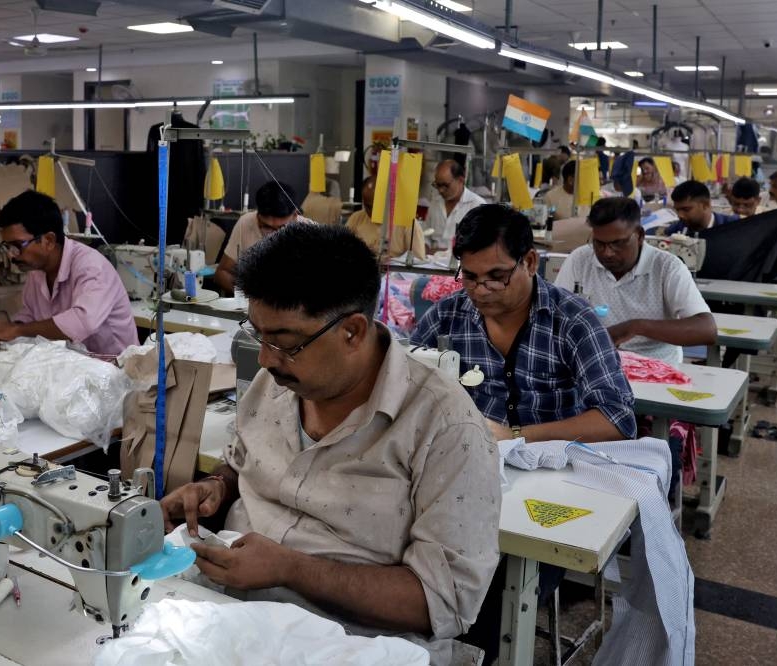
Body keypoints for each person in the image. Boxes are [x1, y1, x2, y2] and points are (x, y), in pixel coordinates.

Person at [160, 224, 500, 666]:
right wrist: (218, 487)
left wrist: (290, 568)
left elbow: (441, 602)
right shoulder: (276, 382)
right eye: (257, 335)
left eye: (284, 343)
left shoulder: (446, 428)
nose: (264, 359)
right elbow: (242, 461)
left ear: (353, 332)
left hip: (352, 644)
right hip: (230, 615)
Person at [411, 204, 636, 444]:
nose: (480, 290)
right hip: (469, 454)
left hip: (553, 467)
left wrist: (514, 436)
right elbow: (403, 382)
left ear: (529, 262)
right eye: (470, 277)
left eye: (497, 277)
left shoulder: (573, 321)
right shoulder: (448, 314)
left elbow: (618, 419)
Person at [554, 197, 717, 365]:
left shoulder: (667, 267)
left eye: (618, 243)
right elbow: (554, 315)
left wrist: (636, 327)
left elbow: (706, 330)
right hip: (596, 363)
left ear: (639, 235)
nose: (607, 253)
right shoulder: (580, 259)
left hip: (655, 368)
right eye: (599, 244)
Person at [0, 190, 138, 356]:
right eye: (7, 247)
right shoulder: (37, 271)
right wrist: (0, 331)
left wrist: (16, 329)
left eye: (17, 245)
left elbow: (83, 322)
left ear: (49, 240)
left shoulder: (91, 267)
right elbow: (30, 317)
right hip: (77, 366)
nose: (11, 255)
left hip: (116, 370)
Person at [216, 181, 309, 294]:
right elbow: (222, 272)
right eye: (266, 227)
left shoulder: (310, 233)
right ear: (257, 215)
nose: (274, 235)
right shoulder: (246, 222)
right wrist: (248, 296)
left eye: (282, 227)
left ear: (295, 215)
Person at [346, 176, 426, 259]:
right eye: (368, 207)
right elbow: (340, 249)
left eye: (378, 206)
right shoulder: (356, 219)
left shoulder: (408, 223)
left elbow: (418, 262)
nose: (373, 212)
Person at [425, 159, 485, 250]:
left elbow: (479, 245)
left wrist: (446, 252)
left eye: (445, 185)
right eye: (437, 185)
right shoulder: (435, 202)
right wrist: (424, 247)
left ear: (461, 180)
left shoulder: (477, 206)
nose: (440, 190)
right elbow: (425, 234)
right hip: (430, 261)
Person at [665, 180, 739, 235]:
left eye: (686, 209)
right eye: (677, 210)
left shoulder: (733, 227)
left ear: (705, 205)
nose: (680, 215)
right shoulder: (674, 230)